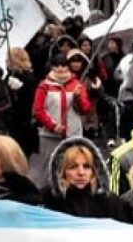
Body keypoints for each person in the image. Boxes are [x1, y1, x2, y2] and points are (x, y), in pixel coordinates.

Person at [30, 53, 92, 188]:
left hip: (72, 134)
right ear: (52, 67)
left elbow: (85, 109)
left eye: (63, 65)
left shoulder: (76, 84)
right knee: (50, 166)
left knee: (73, 164)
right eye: (57, 65)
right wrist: (52, 126)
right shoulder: (44, 86)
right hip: (49, 136)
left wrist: (78, 98)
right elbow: (39, 110)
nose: (60, 68)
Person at [41, 137, 128, 221]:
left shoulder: (110, 202)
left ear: (94, 171)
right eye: (73, 167)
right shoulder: (46, 199)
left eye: (86, 167)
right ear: (61, 171)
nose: (81, 173)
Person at [6, 47, 38, 157]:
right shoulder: (10, 75)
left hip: (22, 117)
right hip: (16, 118)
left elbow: (31, 95)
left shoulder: (27, 76)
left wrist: (20, 89)